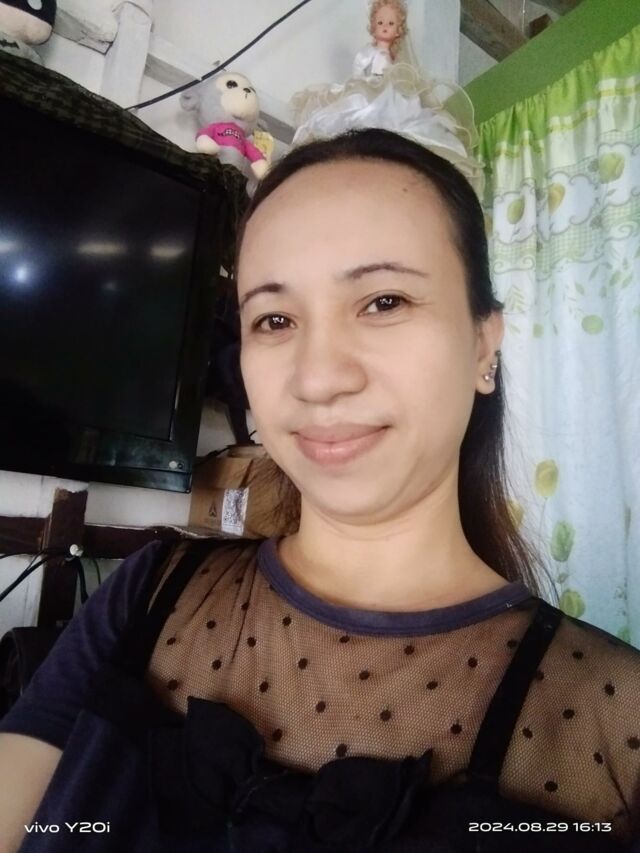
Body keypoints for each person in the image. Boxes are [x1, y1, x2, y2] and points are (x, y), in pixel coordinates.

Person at [1, 128, 639, 852]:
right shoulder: (152, 590)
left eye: (384, 301)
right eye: (274, 319)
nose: (318, 377)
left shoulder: (613, 724)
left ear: (483, 345)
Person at [291, 0, 483, 193]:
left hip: (387, 88)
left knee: (398, 106)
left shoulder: (396, 57)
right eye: (380, 22)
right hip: (369, 85)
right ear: (373, 25)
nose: (384, 27)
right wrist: (360, 84)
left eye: (390, 23)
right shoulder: (367, 53)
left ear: (398, 29)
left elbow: (398, 75)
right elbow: (359, 70)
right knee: (364, 109)